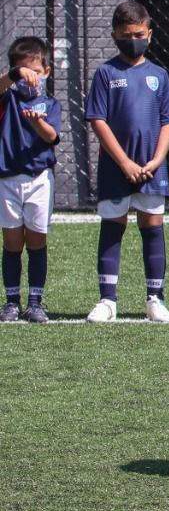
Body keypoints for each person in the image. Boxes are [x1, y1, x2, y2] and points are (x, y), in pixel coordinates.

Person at [85, 1, 169, 323]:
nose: (133, 40)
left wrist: (156, 160)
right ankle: (107, 300)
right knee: (113, 228)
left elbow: (168, 121)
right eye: (126, 35)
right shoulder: (106, 73)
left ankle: (155, 298)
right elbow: (98, 120)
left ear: (150, 34)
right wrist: (125, 162)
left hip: (152, 169)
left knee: (152, 228)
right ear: (114, 35)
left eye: (139, 34)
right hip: (117, 167)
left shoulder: (159, 76)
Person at [0, 37, 61, 323]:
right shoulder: (8, 99)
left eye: (35, 71)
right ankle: (11, 301)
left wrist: (37, 121)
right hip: (7, 178)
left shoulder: (50, 103)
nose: (29, 78)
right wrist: (13, 75)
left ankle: (35, 301)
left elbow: (52, 137)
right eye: (23, 72)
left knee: (36, 241)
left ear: (46, 71)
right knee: (12, 242)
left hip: (39, 179)